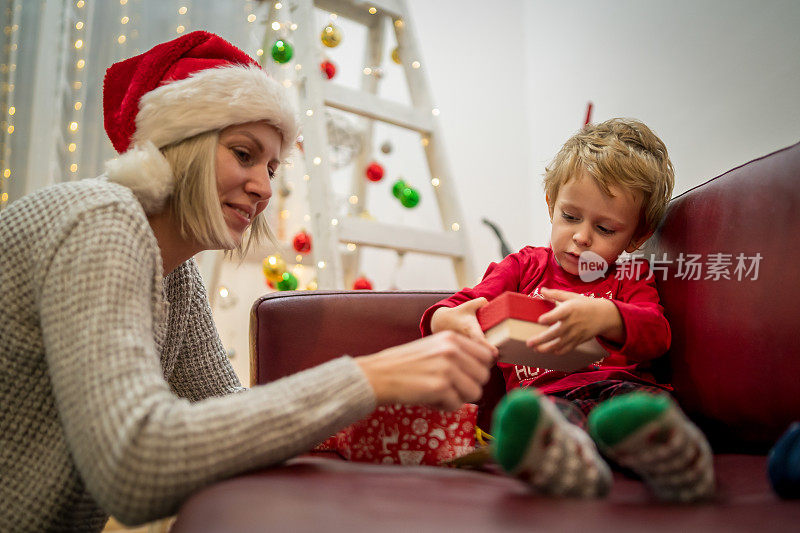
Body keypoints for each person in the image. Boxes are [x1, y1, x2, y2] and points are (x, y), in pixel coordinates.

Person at [0, 31, 494, 532]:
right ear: (180, 144)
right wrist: (370, 376)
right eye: (243, 154)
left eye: (272, 166)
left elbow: (225, 409)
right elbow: (136, 466)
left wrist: (384, 410)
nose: (263, 188)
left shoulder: (175, 272)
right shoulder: (102, 221)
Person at [421, 118, 715, 501]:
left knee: (637, 413)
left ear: (636, 236)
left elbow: (657, 334)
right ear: (551, 205)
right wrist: (448, 320)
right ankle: (572, 467)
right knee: (542, 422)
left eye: (606, 229)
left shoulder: (630, 274)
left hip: (620, 392)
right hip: (551, 401)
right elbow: (455, 308)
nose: (581, 237)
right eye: (570, 217)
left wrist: (605, 316)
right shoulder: (524, 266)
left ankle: (676, 459)